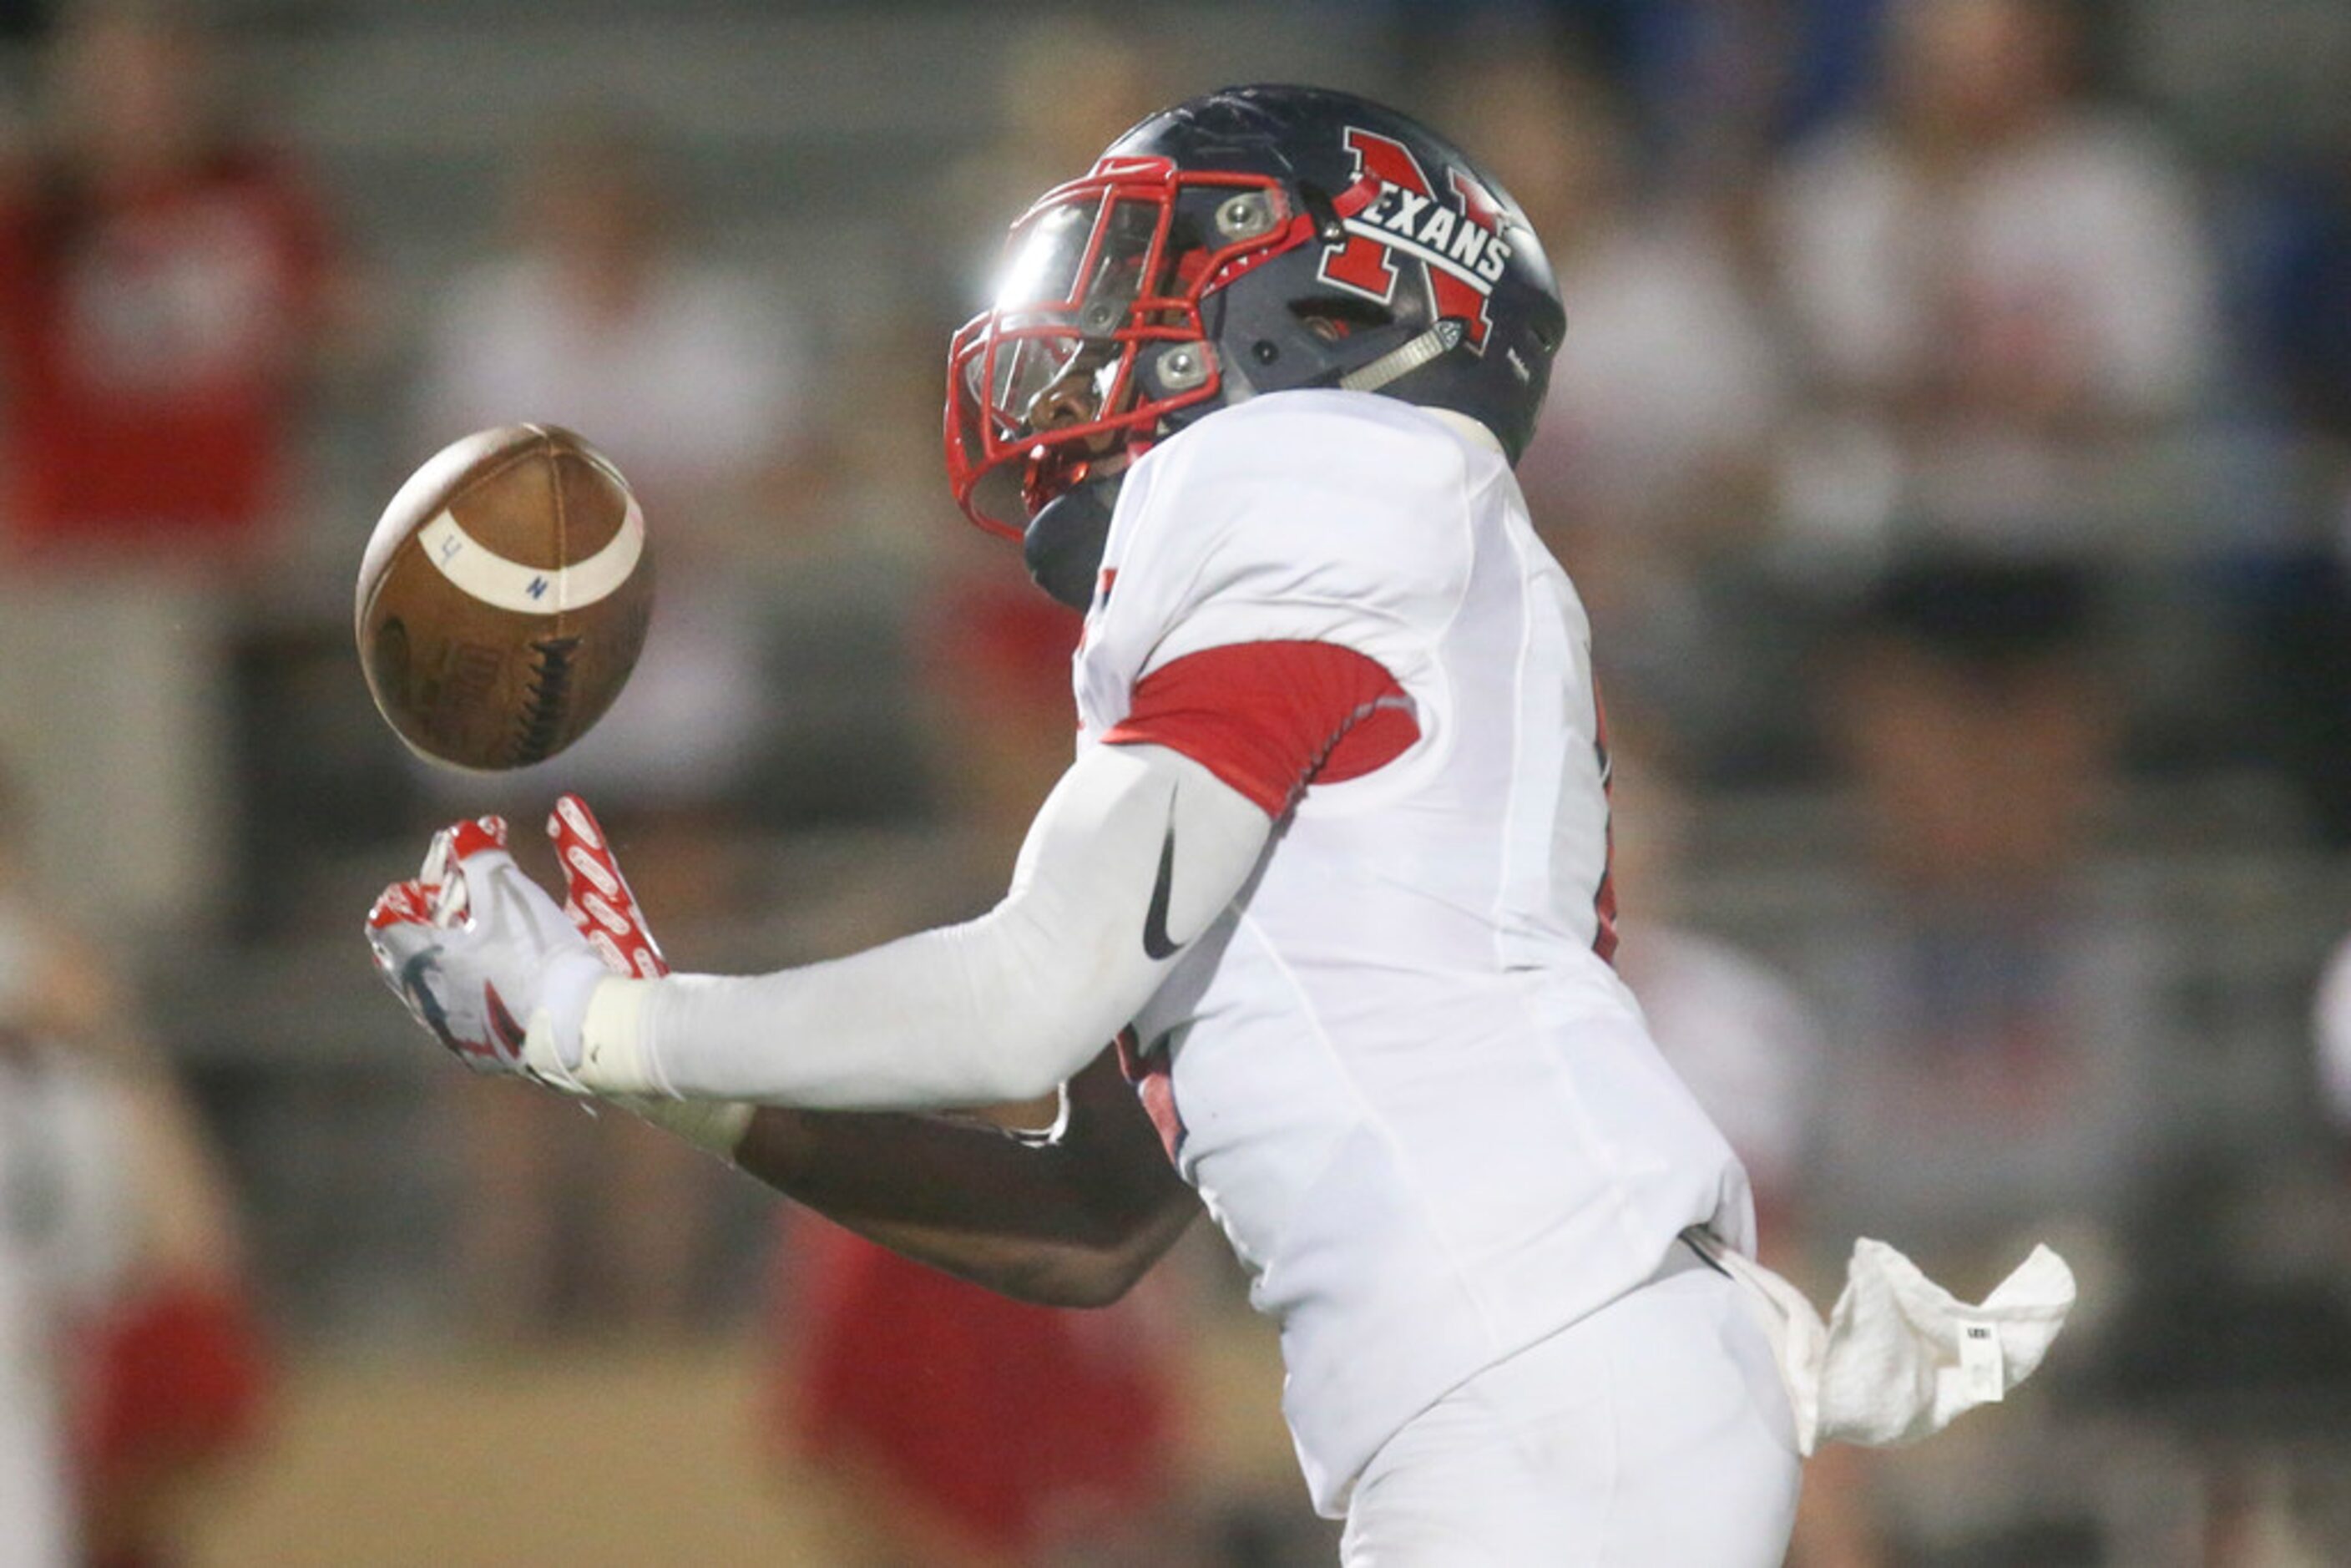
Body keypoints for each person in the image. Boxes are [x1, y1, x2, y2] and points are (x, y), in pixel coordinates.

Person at [365, 87, 2066, 1564]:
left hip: (1544, 1397)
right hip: (1561, 1388)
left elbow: (1026, 990)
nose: (1086, 327)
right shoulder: (1385, 561)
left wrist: (603, 1022)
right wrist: (679, 1082)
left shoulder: (1329, 488)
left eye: (1153, 262)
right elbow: (1089, 1217)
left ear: (1332, 304)